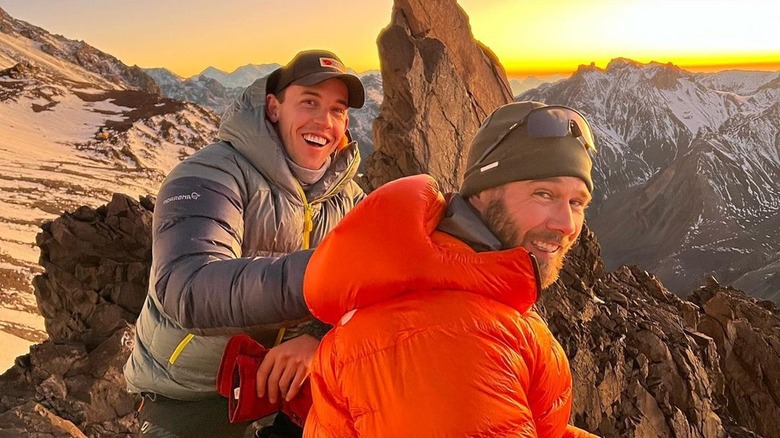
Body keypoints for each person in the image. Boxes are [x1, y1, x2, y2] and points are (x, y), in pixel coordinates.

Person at [302, 101, 599, 437]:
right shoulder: (450, 336)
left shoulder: (469, 284)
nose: (567, 224)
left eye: (577, 203)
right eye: (544, 194)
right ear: (484, 192)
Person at [123, 49, 366, 438]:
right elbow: (189, 286)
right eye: (309, 102)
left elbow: (376, 295)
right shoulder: (210, 173)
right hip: (193, 395)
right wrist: (326, 275)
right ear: (273, 107)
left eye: (338, 110)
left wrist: (320, 338)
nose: (324, 120)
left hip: (293, 392)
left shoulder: (348, 197)